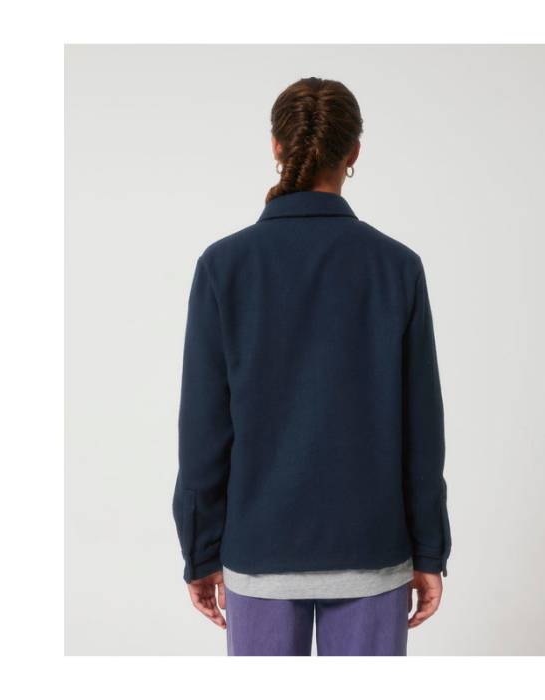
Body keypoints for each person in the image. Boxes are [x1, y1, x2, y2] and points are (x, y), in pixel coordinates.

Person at [172, 77, 451, 656]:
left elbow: (204, 428)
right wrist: (429, 550)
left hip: (260, 553)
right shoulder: (396, 267)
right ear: (354, 153)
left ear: (276, 146)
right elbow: (422, 428)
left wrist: (200, 550)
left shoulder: (224, 267)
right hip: (372, 550)